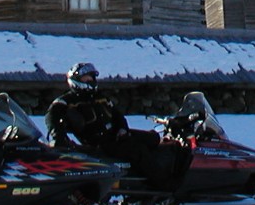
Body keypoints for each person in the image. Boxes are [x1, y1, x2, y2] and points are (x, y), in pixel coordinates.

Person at [46, 62, 189, 190]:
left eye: (92, 77)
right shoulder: (66, 101)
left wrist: (122, 129)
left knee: (153, 139)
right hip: (100, 143)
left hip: (116, 135)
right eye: (87, 78)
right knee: (138, 150)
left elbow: (118, 116)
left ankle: (169, 170)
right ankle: (163, 185)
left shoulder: (100, 98)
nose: (91, 80)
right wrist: (57, 137)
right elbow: (52, 119)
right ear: (76, 80)